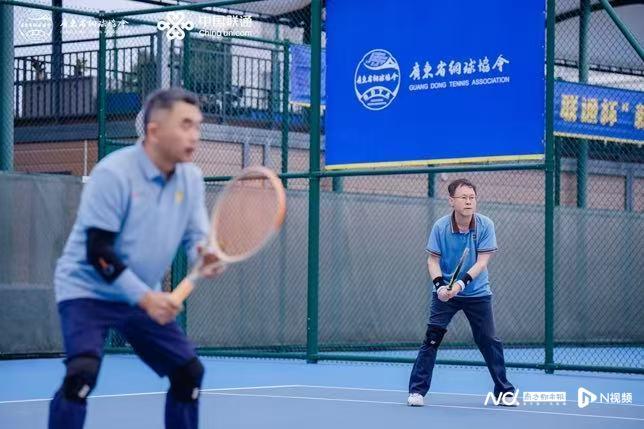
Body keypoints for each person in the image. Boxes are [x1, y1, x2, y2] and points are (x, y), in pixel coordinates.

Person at [49, 87, 223, 428]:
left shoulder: (191, 178)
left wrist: (205, 253)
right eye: (185, 125)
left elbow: (196, 236)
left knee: (188, 373)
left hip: (141, 293)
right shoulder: (113, 174)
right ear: (154, 131)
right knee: (81, 375)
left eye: (197, 126)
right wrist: (146, 299)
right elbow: (98, 251)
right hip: (87, 290)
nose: (195, 135)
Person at [407, 178, 515, 407]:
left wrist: (459, 285)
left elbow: (482, 262)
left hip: (477, 293)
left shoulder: (485, 225)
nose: (468, 201)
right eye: (463, 197)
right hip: (445, 295)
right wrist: (440, 286)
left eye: (472, 197)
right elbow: (432, 260)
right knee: (432, 339)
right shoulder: (440, 227)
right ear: (451, 201)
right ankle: (416, 391)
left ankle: (504, 391)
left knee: (488, 340)